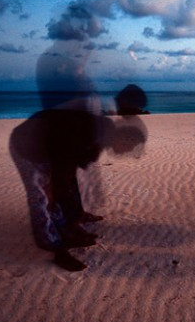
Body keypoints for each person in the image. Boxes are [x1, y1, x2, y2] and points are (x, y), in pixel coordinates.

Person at [10, 84, 149, 271]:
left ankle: (68, 227)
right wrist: (52, 190)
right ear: (124, 139)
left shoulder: (102, 134)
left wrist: (74, 217)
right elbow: (62, 169)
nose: (126, 154)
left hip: (50, 146)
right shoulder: (92, 134)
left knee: (62, 187)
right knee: (42, 198)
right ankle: (55, 248)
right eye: (129, 149)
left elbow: (71, 173)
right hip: (26, 144)